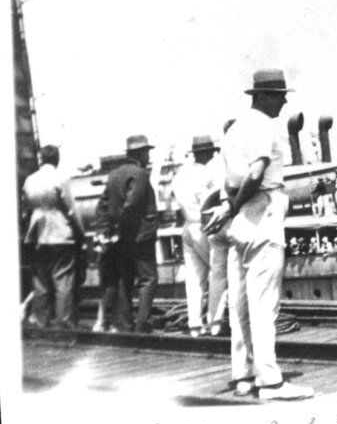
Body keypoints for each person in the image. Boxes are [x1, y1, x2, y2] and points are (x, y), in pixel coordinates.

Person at [203, 69, 313, 400]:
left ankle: (243, 376)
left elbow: (230, 179)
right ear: (262, 96)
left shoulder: (234, 130)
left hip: (240, 224)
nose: (283, 101)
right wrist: (235, 207)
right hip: (262, 212)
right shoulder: (263, 127)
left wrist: (229, 207)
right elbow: (256, 172)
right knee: (264, 303)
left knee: (239, 304)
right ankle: (271, 382)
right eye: (279, 95)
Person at [93, 134, 160, 333]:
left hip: (121, 238)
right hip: (140, 236)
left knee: (125, 279)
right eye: (146, 151)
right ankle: (142, 324)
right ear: (138, 153)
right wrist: (124, 227)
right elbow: (132, 205)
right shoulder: (139, 173)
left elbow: (102, 205)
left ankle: (126, 323)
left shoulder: (114, 174)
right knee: (148, 278)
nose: (148, 156)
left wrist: (108, 230)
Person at [170, 135, 229, 337]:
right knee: (218, 273)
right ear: (209, 152)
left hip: (187, 227)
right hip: (206, 226)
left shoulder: (180, 174)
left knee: (194, 278)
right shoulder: (211, 172)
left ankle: (194, 324)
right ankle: (215, 322)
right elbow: (214, 200)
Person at [22, 144, 86, 328]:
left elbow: (25, 211)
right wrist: (81, 234)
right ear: (57, 159)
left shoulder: (29, 180)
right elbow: (71, 210)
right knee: (63, 279)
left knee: (40, 280)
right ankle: (64, 325)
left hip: (36, 236)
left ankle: (41, 323)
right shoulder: (61, 178)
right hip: (60, 234)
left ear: (41, 159)